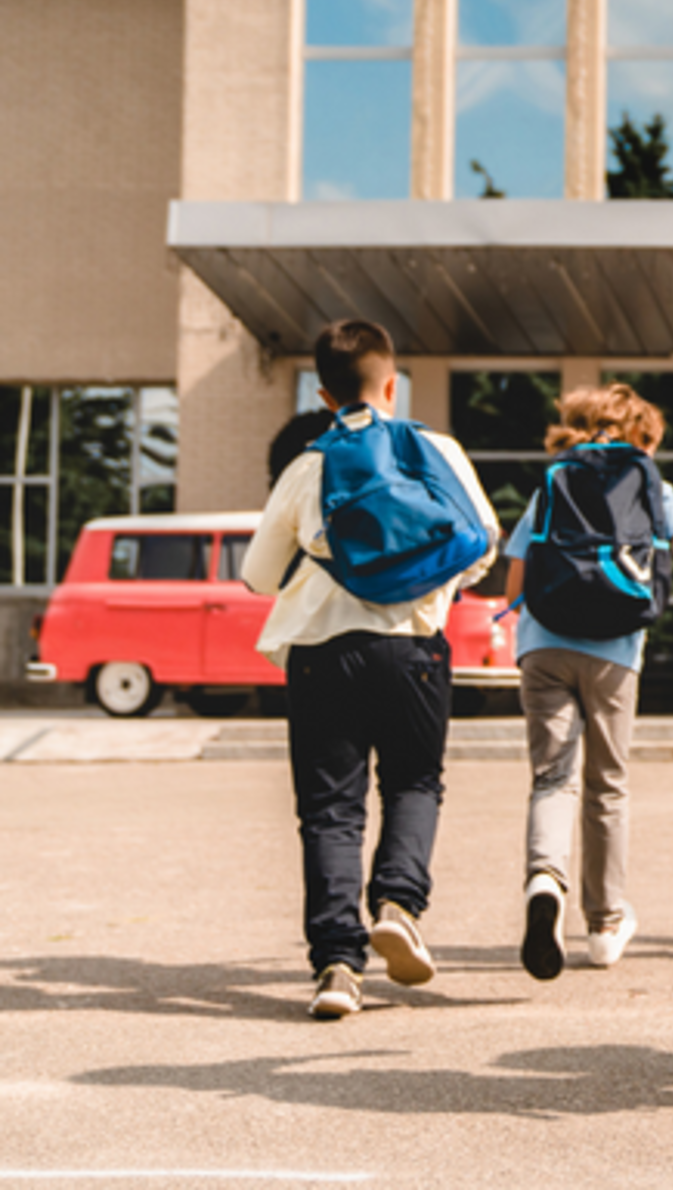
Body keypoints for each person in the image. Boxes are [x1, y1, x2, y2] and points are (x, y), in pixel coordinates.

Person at [242, 319, 500, 1021]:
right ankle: (397, 903)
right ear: (393, 384)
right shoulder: (434, 449)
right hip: (414, 647)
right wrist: (425, 585)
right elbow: (482, 541)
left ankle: (336, 966)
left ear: (324, 393)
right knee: (415, 781)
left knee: (330, 810)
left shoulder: (308, 464)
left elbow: (256, 576)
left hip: (323, 652)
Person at [506, 383, 673, 981]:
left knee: (552, 778)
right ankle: (605, 925)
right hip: (614, 652)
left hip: (543, 645)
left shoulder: (553, 481)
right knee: (606, 785)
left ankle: (544, 881)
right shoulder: (657, 488)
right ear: (642, 438)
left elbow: (515, 581)